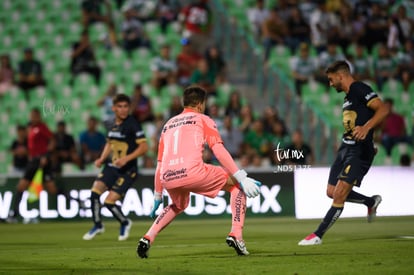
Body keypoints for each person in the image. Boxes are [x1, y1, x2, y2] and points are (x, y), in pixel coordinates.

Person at [136, 86, 261, 258]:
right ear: (201, 104)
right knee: (237, 186)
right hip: (193, 172)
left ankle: (148, 236)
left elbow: (159, 163)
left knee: (178, 205)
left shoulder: (168, 125)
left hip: (168, 176)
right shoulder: (203, 119)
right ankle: (236, 235)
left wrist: (158, 195)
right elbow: (217, 149)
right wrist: (241, 176)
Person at [298, 60, 389, 246]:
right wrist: (368, 133)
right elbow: (363, 117)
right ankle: (370, 201)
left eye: (331, 80)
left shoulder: (359, 88)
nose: (330, 84)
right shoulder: (348, 97)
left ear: (341, 76)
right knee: (331, 191)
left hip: (358, 152)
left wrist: (366, 130)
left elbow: (383, 109)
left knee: (339, 194)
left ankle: (317, 235)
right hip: (345, 148)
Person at [83, 94, 148, 241]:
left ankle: (125, 222)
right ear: (113, 108)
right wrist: (101, 158)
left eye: (126, 106)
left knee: (109, 202)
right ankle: (98, 225)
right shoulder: (112, 124)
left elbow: (144, 147)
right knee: (94, 194)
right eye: (120, 106)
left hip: (128, 170)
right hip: (111, 167)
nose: (123, 110)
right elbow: (109, 143)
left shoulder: (133, 124)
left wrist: (126, 159)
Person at [7, 108, 57, 223]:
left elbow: (52, 140)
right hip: (34, 161)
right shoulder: (31, 129)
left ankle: (13, 215)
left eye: (35, 116)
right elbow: (32, 147)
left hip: (41, 160)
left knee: (23, 186)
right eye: (32, 115)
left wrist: (46, 155)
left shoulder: (42, 127)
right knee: (49, 189)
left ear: (39, 116)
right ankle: (14, 214)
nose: (33, 118)